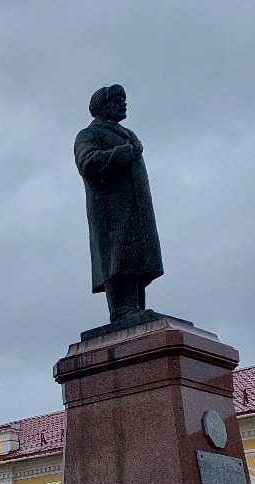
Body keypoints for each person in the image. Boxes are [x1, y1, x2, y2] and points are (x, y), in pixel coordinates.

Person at [74, 84, 163, 322]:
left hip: (135, 208)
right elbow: (88, 163)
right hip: (110, 209)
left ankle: (135, 307)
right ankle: (122, 309)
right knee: (119, 255)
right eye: (116, 100)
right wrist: (123, 153)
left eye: (124, 99)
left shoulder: (127, 134)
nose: (123, 104)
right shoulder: (89, 134)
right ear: (100, 107)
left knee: (136, 256)